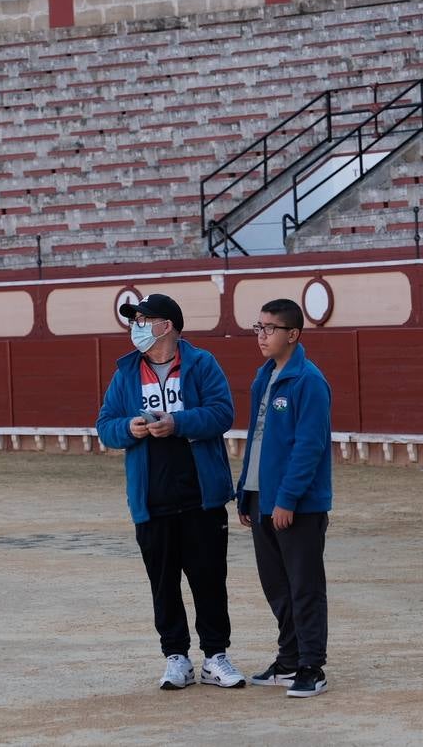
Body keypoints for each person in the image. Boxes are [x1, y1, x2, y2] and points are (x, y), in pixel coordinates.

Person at [95, 293, 247, 691]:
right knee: (163, 582)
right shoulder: (126, 372)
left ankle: (215, 655)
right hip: (153, 496)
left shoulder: (201, 363)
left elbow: (222, 413)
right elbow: (105, 425)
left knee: (210, 578)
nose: (136, 327)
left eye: (143, 320)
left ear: (166, 326)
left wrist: (177, 423)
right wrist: (129, 428)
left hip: (200, 493)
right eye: (135, 320)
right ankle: (175, 656)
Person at [236, 298, 333, 698]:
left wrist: (288, 499)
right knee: (276, 584)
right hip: (263, 497)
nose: (261, 336)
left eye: (269, 328)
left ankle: (312, 666)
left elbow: (308, 447)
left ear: (292, 334)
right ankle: (289, 658)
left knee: (304, 585)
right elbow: (257, 440)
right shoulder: (264, 377)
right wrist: (245, 490)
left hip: (297, 505)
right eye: (257, 327)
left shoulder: (309, 380)